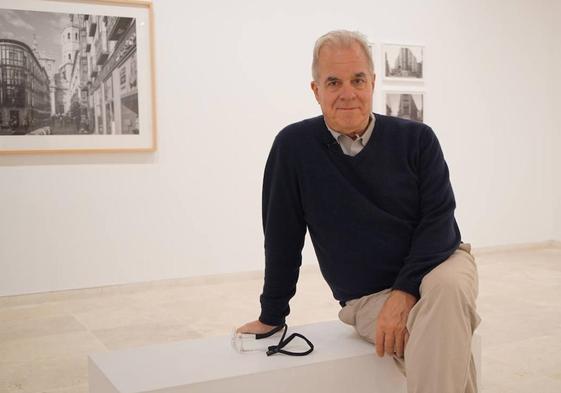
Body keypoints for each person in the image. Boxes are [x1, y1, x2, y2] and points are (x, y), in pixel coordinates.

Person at [237, 30, 480, 393]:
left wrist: (405, 291)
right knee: (440, 340)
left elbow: (439, 219)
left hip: (442, 262)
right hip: (368, 297)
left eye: (357, 80)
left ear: (372, 83)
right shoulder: (293, 148)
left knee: (445, 291)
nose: (347, 93)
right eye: (333, 82)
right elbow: (282, 237)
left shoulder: (418, 140)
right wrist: (272, 315)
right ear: (316, 90)